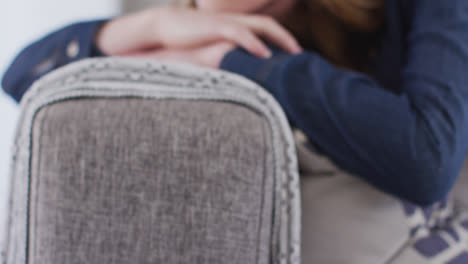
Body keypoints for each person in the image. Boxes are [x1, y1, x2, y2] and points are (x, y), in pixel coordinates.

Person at [2, 0, 468, 208]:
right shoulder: (186, 29)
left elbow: (425, 159)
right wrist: (151, 27)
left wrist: (237, 60)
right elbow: (23, 76)